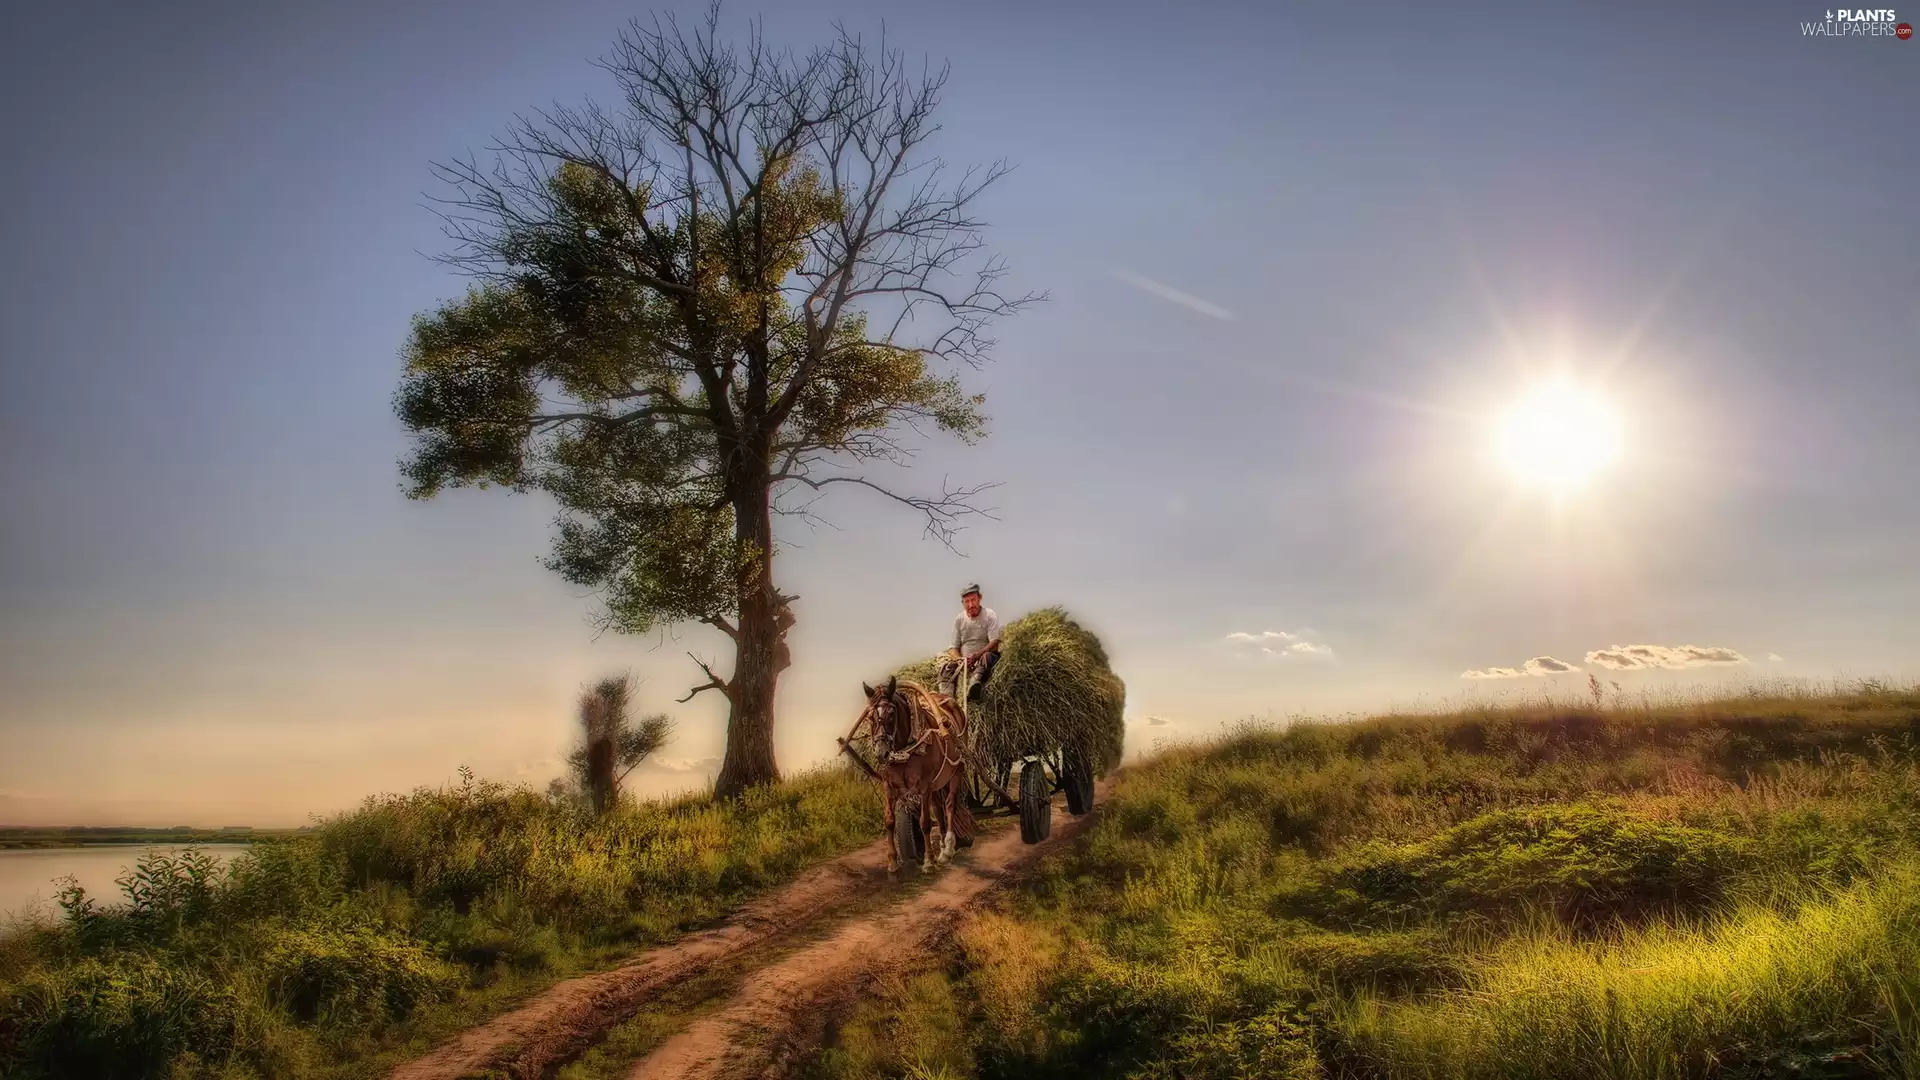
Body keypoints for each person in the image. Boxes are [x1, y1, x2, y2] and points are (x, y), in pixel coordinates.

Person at [947, 583, 1003, 704]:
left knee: (988, 657)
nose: (971, 605)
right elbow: (953, 648)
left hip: (984, 659)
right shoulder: (959, 619)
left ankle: (974, 686)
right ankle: (946, 698)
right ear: (963, 603)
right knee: (946, 666)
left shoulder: (989, 615)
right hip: (965, 663)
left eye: (973, 600)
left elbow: (994, 643)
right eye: (967, 601)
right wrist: (960, 660)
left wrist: (977, 655)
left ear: (980, 598)